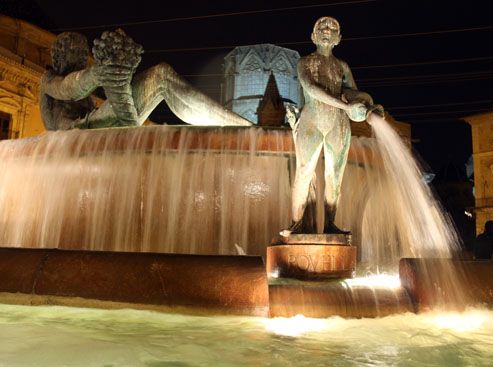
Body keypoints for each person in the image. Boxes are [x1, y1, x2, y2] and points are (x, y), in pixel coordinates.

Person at [40, 31, 252, 130]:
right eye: (74, 52)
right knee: (160, 76)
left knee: (161, 74)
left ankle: (244, 127)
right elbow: (68, 89)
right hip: (76, 133)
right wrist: (96, 74)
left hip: (97, 127)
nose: (81, 57)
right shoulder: (49, 79)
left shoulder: (83, 78)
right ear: (58, 56)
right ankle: (246, 129)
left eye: (82, 53)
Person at [287, 16, 382, 234]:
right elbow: (311, 89)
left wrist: (367, 101)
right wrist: (345, 106)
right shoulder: (305, 62)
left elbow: (350, 90)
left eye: (332, 28)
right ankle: (298, 222)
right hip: (311, 120)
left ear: (339, 38)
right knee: (304, 169)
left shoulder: (342, 66)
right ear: (313, 36)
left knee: (335, 175)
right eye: (322, 26)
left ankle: (330, 223)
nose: (327, 30)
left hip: (338, 124)